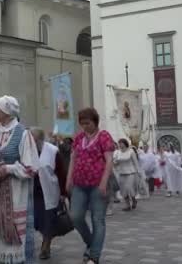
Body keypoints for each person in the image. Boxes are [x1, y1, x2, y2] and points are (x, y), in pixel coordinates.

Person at [0, 95, 40, 264]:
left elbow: (31, 167)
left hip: (16, 191)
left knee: (17, 231)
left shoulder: (23, 133)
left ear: (7, 112)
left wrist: (9, 169)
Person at [67, 107, 115, 264]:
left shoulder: (104, 136)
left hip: (97, 185)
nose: (85, 126)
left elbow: (109, 161)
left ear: (95, 121)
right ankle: (91, 242)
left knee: (98, 220)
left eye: (87, 123)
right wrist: (69, 179)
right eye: (82, 123)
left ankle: (94, 256)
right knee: (75, 216)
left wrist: (103, 182)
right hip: (79, 184)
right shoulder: (79, 137)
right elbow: (73, 159)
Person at [31, 127, 67, 260]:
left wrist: (63, 193)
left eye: (33, 139)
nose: (30, 142)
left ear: (40, 139)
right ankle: (45, 238)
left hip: (50, 191)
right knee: (37, 221)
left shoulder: (52, 151)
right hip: (33, 192)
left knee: (49, 221)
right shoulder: (26, 151)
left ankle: (46, 246)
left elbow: (61, 173)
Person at [113, 139, 140, 211]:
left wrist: (138, 172)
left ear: (125, 143)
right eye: (119, 143)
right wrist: (115, 162)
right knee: (123, 190)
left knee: (129, 188)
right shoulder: (117, 152)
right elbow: (114, 163)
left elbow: (135, 162)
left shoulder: (131, 151)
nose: (120, 145)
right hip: (121, 173)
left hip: (130, 172)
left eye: (121, 143)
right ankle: (127, 205)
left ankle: (134, 199)